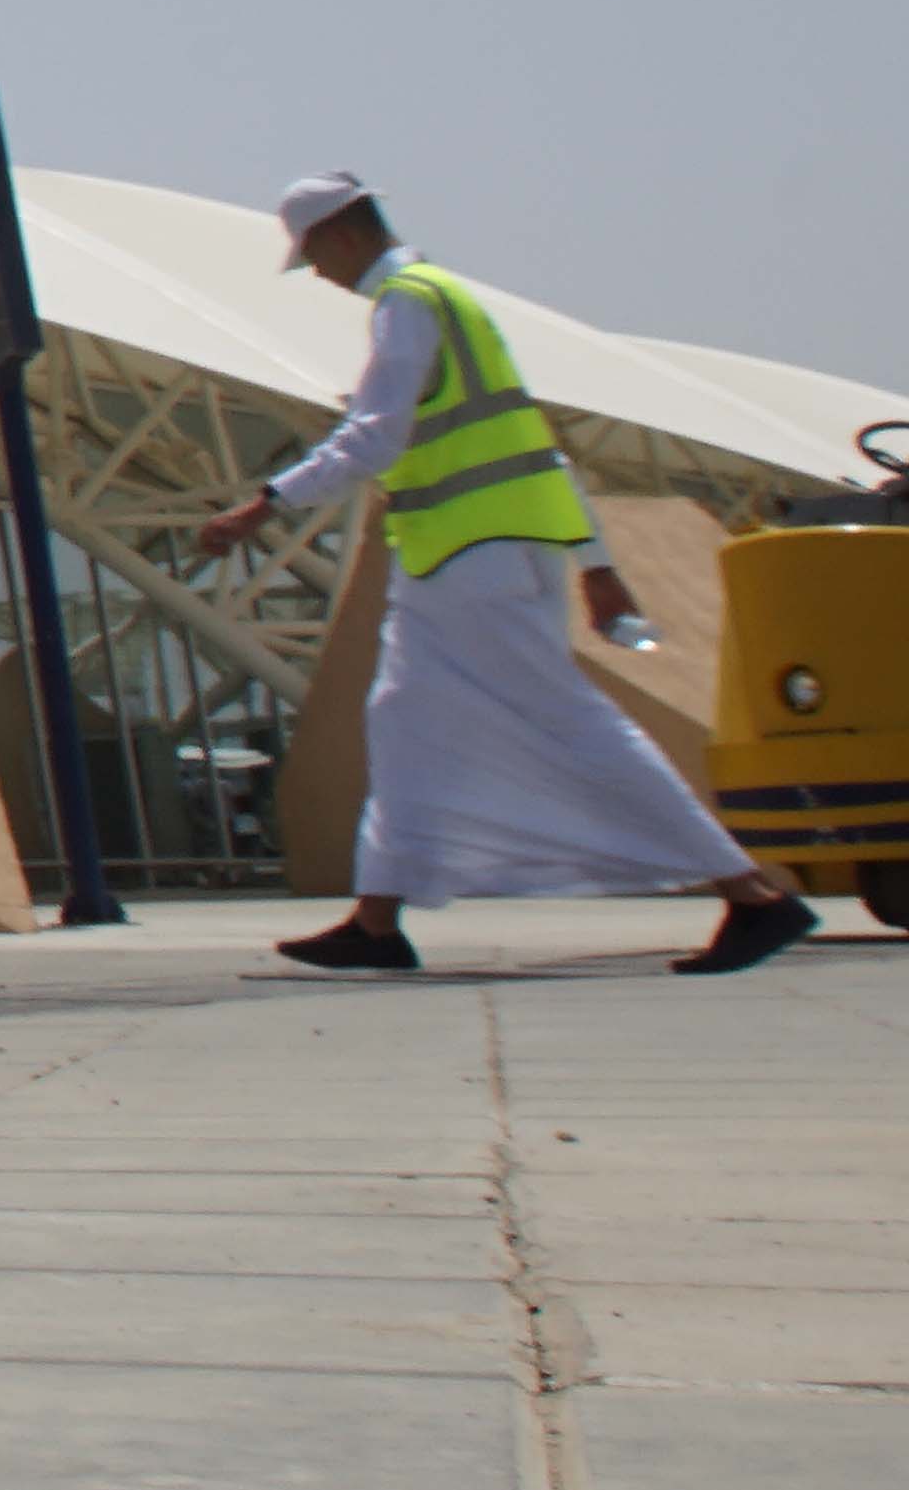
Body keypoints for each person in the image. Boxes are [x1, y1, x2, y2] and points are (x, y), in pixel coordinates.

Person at [195, 177, 810, 976]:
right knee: (403, 724)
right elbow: (537, 448)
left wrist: (264, 504)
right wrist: (595, 564)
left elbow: (374, 435)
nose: (315, 273)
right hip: (477, 555)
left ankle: (754, 896)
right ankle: (376, 922)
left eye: (311, 255)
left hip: (467, 559)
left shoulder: (407, 303)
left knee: (567, 719)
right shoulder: (456, 302)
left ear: (341, 238)